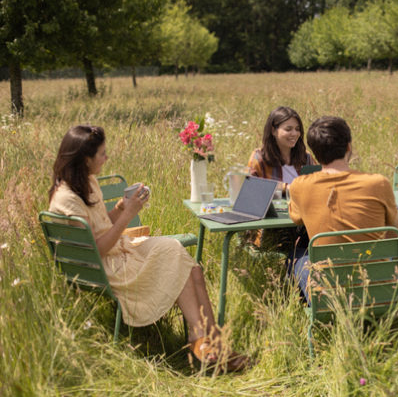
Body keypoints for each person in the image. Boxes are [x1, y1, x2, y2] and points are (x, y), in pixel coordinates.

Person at [47, 125, 249, 372]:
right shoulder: (66, 198)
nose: (106, 158)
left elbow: (102, 226)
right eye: (101, 154)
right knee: (175, 255)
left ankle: (212, 339)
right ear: (84, 159)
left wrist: (122, 207)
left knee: (190, 267)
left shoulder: (86, 182)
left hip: (121, 250)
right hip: (106, 268)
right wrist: (128, 215)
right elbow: (96, 249)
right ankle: (201, 340)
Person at [287, 116, 398, 301]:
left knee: (295, 255)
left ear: (314, 156)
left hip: (329, 298)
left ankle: (311, 308)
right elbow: (395, 233)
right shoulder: (378, 183)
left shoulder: (299, 186)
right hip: (379, 290)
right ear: (349, 147)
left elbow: (296, 218)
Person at [246, 106, 315, 262]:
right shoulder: (259, 157)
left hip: (303, 223)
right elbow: (250, 190)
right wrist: (288, 189)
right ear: (273, 131)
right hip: (271, 226)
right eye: (288, 129)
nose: (295, 134)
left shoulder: (306, 158)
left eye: (297, 129)